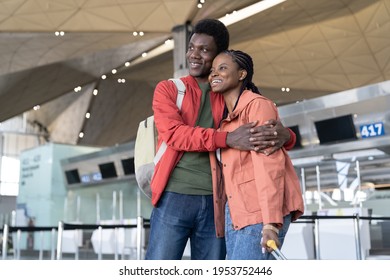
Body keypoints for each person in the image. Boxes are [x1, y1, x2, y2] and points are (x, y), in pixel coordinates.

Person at [145, 19, 296, 260]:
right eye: (192, 47)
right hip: (174, 195)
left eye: (204, 50)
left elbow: (261, 130)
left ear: (218, 55)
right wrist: (227, 138)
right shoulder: (169, 90)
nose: (194, 55)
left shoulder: (226, 94)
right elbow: (174, 134)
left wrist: (288, 136)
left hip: (219, 202)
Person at [209, 49, 304, 260]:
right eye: (213, 70)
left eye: (222, 68)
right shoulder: (227, 118)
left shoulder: (257, 106)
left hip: (260, 210)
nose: (214, 74)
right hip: (236, 210)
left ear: (241, 74)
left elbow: (268, 165)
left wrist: (270, 222)